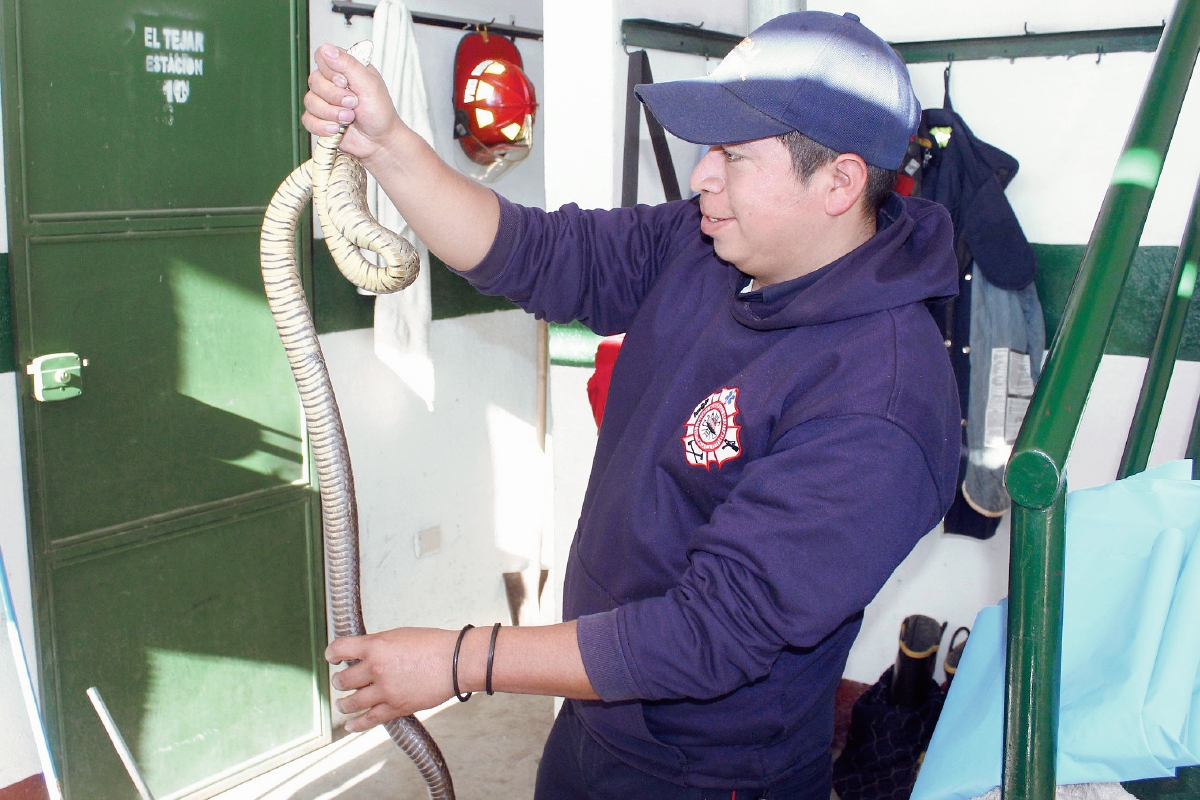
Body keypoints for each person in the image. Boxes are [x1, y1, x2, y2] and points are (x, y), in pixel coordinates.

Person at [303, 11, 959, 799]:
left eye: (735, 155)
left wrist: (460, 658)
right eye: (708, 148)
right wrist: (389, 147)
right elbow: (539, 254)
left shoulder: (880, 402)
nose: (703, 176)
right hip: (593, 713)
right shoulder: (707, 243)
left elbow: (708, 633)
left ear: (840, 182)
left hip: (706, 772)